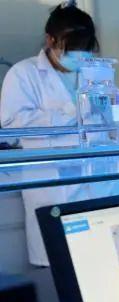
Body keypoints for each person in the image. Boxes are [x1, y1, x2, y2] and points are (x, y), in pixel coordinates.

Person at [0, 2, 99, 266]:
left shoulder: (95, 74)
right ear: (50, 40)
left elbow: (109, 120)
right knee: (61, 267)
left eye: (83, 49)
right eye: (70, 48)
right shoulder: (24, 74)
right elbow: (11, 126)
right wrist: (68, 113)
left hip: (93, 183)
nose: (77, 57)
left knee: (97, 265)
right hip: (53, 187)